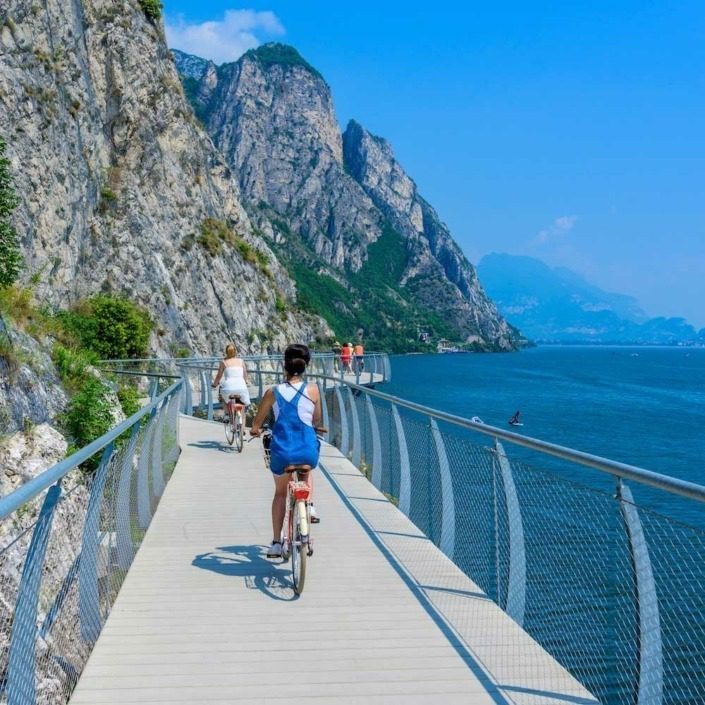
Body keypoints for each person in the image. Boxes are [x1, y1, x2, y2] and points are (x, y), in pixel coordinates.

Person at [251, 344, 322, 558]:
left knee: (280, 493)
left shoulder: (273, 392)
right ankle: (308, 506)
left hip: (282, 452)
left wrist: (255, 429)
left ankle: (275, 542)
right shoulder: (314, 390)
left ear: (285, 367)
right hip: (307, 451)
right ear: (305, 366)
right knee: (306, 465)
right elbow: (316, 420)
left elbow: (257, 421)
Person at [211, 343, 250, 417]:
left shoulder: (223, 362)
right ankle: (242, 424)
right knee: (243, 408)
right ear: (235, 352)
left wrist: (215, 384)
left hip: (228, 388)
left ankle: (226, 413)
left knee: (222, 395)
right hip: (241, 387)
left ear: (226, 352)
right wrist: (246, 381)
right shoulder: (241, 361)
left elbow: (219, 376)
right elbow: (245, 374)